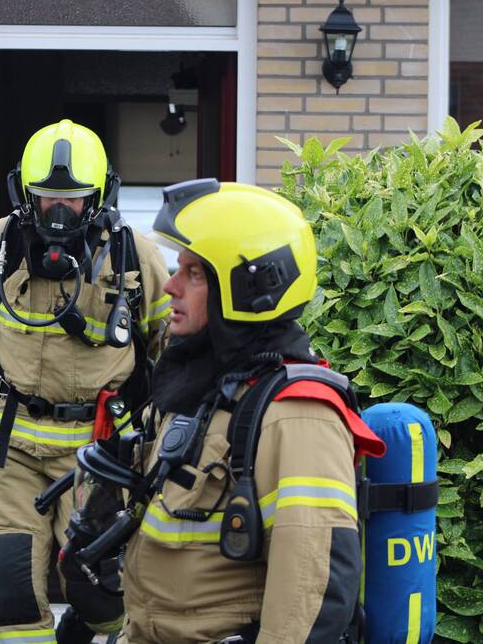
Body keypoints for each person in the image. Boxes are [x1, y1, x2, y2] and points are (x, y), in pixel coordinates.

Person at [0, 120, 171, 643]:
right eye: (47, 196)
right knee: (11, 592)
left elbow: (171, 345)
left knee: (101, 590)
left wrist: (174, 430)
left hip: (99, 451)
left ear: (98, 196)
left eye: (72, 198)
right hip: (8, 448)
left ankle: (83, 629)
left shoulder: (134, 256)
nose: (59, 210)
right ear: (25, 193)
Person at [118, 179, 381, 644]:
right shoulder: (203, 391)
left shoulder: (298, 415)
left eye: (194, 274)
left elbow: (310, 597)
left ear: (247, 289)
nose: (170, 286)